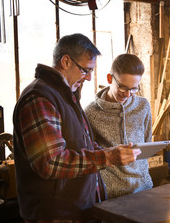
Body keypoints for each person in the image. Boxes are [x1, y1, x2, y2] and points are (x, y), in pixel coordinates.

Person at [12, 34, 141, 223]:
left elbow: (80, 143)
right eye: (85, 70)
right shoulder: (40, 98)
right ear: (66, 61)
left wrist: (110, 152)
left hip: (76, 211)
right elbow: (51, 163)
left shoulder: (65, 95)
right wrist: (106, 157)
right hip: (56, 216)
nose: (89, 78)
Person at [85, 53, 153, 199]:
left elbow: (147, 143)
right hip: (111, 194)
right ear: (110, 79)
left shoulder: (143, 106)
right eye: (122, 87)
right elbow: (91, 156)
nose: (128, 94)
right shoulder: (90, 112)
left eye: (134, 89)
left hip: (144, 188)